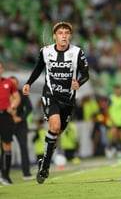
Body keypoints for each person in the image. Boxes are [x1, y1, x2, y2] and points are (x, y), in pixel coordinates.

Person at [22, 21, 89, 184]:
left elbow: (86, 74)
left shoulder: (77, 52)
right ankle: (45, 165)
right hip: (50, 95)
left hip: (68, 99)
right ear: (55, 36)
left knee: (57, 134)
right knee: (55, 126)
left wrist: (78, 83)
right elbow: (38, 69)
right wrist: (28, 83)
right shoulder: (46, 52)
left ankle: (43, 161)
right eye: (61, 33)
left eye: (67, 33)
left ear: (70, 36)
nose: (64, 35)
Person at [0, 62, 21, 185]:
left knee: (7, 145)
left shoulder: (9, 83)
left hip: (5, 116)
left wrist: (12, 106)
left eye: (0, 68)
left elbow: (16, 97)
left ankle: (6, 175)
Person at [9, 76, 34, 180]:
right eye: (11, 83)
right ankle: (4, 173)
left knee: (23, 147)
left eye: (15, 83)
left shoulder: (22, 93)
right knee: (5, 148)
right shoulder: (4, 93)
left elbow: (29, 107)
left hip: (21, 125)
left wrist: (21, 118)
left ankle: (26, 173)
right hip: (7, 124)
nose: (13, 85)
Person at [107, 84, 121, 157]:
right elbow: (107, 109)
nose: (119, 91)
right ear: (115, 90)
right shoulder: (111, 98)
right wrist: (111, 118)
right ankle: (110, 149)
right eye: (117, 90)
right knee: (114, 135)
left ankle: (118, 150)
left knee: (120, 136)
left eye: (120, 90)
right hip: (114, 120)